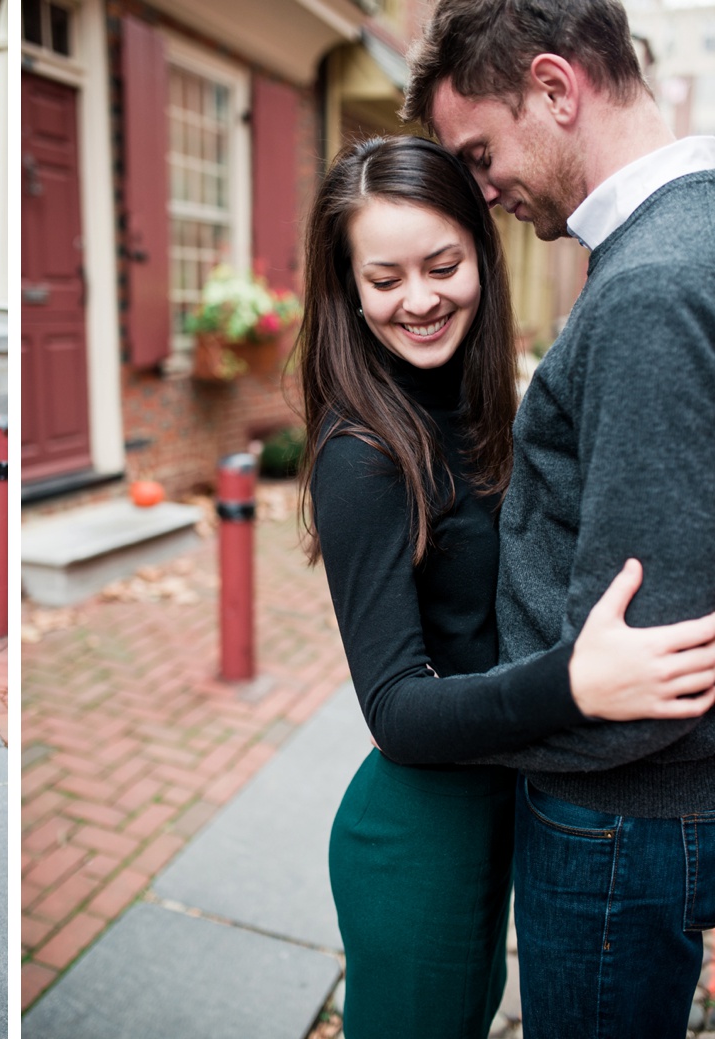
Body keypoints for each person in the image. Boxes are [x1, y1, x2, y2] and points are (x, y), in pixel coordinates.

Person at [297, 135, 715, 1039]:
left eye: (443, 264)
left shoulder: (484, 401)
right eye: (384, 278)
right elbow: (397, 710)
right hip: (421, 837)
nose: (419, 300)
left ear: (482, 255)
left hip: (502, 812)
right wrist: (574, 681)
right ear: (348, 289)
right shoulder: (361, 453)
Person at [403, 1, 715, 1033]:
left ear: (552, 87)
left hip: (611, 820)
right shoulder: (678, 236)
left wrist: (527, 757)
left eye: (480, 152)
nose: (480, 189)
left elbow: (642, 641)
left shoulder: (646, 285)